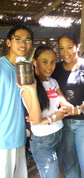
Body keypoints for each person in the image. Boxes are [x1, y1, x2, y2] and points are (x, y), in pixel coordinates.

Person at [19, 45, 75, 178]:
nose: (50, 66)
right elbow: (37, 120)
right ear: (34, 62)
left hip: (59, 134)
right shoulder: (27, 88)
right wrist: (33, 89)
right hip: (42, 141)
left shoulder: (53, 82)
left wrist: (48, 119)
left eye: (52, 62)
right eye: (44, 62)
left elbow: (66, 107)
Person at [52, 32, 84, 178]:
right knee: (69, 164)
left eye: (69, 47)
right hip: (63, 123)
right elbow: (50, 90)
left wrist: (78, 110)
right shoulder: (56, 69)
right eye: (61, 48)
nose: (65, 52)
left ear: (77, 47)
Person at [0, 24, 33, 178]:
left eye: (27, 40)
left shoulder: (25, 70)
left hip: (19, 136)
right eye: (17, 39)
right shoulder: (1, 67)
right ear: (8, 42)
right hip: (2, 138)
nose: (23, 43)